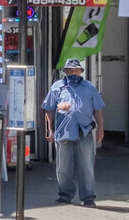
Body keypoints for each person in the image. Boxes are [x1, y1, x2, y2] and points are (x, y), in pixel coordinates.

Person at [44, 57, 106, 206]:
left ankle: (88, 197)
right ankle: (65, 196)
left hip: (84, 131)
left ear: (81, 72)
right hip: (63, 131)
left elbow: (98, 110)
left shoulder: (89, 87)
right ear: (64, 72)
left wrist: (101, 129)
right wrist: (49, 129)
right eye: (70, 70)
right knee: (63, 167)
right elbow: (49, 109)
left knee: (87, 166)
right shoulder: (57, 87)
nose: (73, 73)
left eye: (76, 70)